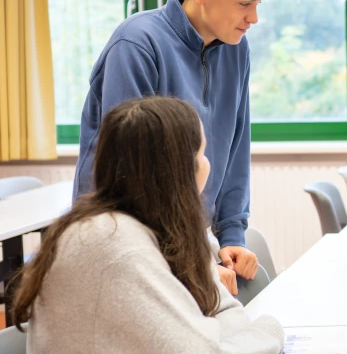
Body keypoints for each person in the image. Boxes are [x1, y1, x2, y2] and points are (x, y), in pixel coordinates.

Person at [72, 0, 282, 293]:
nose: (253, 18)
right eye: (244, 3)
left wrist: (232, 235)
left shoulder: (235, 47)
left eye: (257, 5)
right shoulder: (137, 44)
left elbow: (234, 145)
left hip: (182, 243)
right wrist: (186, 265)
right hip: (122, 242)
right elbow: (131, 177)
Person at [12, 97, 285, 353]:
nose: (208, 164)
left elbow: (225, 314)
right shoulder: (112, 242)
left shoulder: (162, 226)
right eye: (202, 153)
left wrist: (245, 336)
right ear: (178, 169)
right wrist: (269, 331)